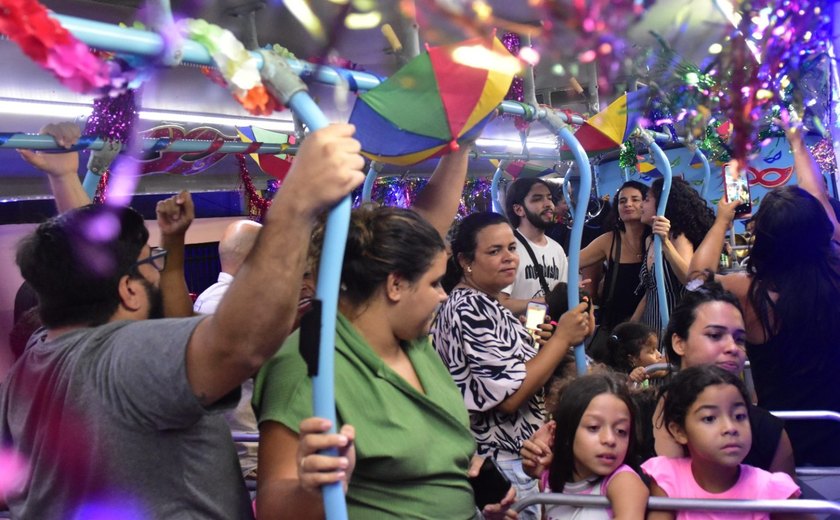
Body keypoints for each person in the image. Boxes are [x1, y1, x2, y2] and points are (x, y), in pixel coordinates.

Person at [0, 123, 366, 519]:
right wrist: (297, 201)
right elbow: (241, 345)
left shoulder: (34, 362)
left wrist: (64, 177)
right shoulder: (123, 355)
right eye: (152, 260)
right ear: (129, 290)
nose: (159, 268)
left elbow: (91, 265)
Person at [689, 120, 840, 466]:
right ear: (821, 230)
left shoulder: (750, 293)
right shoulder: (835, 274)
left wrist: (722, 220)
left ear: (763, 239)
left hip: (778, 444)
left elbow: (697, 279)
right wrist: (796, 140)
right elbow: (819, 203)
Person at [433, 211, 592, 520]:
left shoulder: (490, 304)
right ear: (466, 260)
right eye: (494, 251)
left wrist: (548, 343)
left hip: (520, 456)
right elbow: (508, 398)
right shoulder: (469, 308)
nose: (509, 258)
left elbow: (521, 367)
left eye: (511, 248)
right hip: (502, 460)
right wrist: (561, 339)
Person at [652, 277, 795, 476]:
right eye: (715, 335)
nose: (732, 348)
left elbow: (788, 504)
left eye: (740, 339)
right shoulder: (631, 421)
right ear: (679, 343)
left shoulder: (767, 432)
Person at [642, 365, 801, 520]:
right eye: (710, 418)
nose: (730, 428)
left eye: (739, 416)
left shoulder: (770, 489)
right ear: (680, 432)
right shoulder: (669, 480)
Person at [540, 373, 648, 519]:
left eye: (621, 431)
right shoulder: (548, 480)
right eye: (594, 427)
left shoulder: (623, 482)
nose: (610, 440)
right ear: (566, 432)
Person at [632, 177, 715, 336]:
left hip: (675, 326)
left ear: (664, 204)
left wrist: (666, 244)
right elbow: (651, 289)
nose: (641, 205)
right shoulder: (650, 240)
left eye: (647, 199)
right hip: (652, 326)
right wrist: (633, 323)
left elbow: (691, 281)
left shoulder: (678, 238)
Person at [578, 181, 649, 332]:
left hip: (651, 321)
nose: (627, 204)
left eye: (635, 199)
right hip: (614, 326)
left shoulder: (656, 240)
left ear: (647, 204)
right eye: (622, 201)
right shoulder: (609, 240)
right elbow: (567, 263)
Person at [500, 178, 569, 314]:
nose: (548, 204)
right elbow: (499, 304)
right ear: (519, 209)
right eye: (537, 199)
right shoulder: (508, 249)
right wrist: (547, 300)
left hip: (548, 331)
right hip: (515, 333)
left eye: (549, 198)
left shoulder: (557, 249)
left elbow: (559, 301)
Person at [602, 322, 663, 387]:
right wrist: (631, 382)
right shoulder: (621, 384)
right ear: (632, 359)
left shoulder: (644, 374)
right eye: (651, 352)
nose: (659, 355)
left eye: (656, 349)